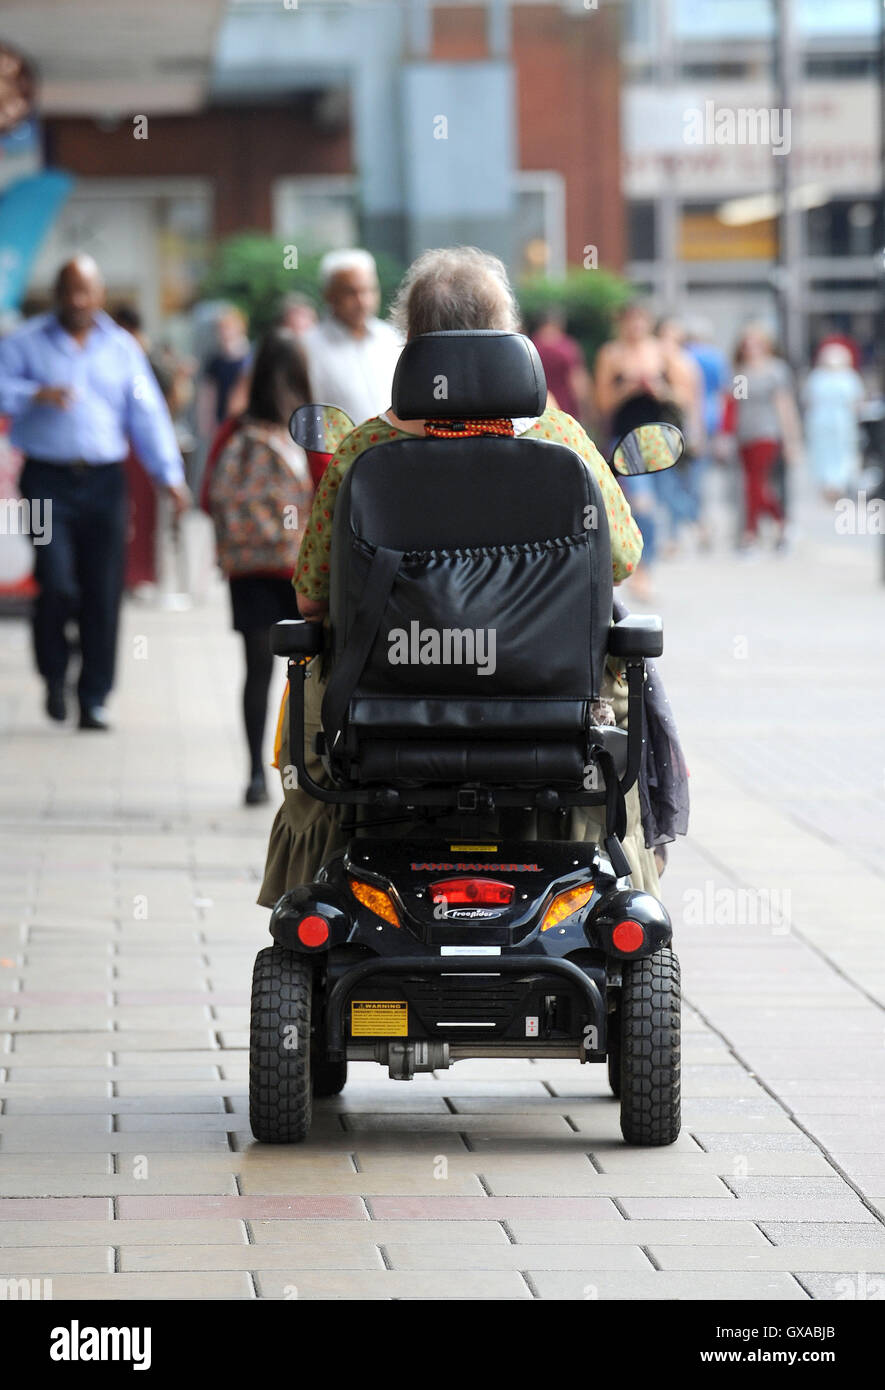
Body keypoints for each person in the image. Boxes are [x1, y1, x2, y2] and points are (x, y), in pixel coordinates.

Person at [259, 245, 663, 910]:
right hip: (550, 724)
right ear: (507, 337)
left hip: (384, 730)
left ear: (413, 342)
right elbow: (621, 559)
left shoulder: (362, 451)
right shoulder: (562, 443)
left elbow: (310, 596)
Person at [0, 255, 189, 730]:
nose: (78, 300)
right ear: (56, 294)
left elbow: (145, 415)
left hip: (105, 481)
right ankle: (54, 673)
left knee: (104, 590)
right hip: (45, 481)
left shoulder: (122, 348)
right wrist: (32, 395)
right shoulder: (25, 342)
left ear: (100, 295)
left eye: (86, 291)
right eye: (69, 290)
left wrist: (169, 475)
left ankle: (95, 696)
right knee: (57, 581)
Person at [207, 330, 314, 806]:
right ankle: (304, 773)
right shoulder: (310, 428)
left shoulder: (236, 428)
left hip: (248, 568)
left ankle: (254, 773)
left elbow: (210, 491)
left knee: (255, 671)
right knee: (309, 675)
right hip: (301, 573)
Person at [594, 301, 696, 599]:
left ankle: (650, 561)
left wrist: (659, 390)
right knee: (642, 505)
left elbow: (684, 397)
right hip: (627, 440)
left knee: (662, 503)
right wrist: (628, 389)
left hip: (659, 438)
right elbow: (601, 403)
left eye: (641, 320)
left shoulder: (663, 353)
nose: (635, 326)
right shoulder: (611, 354)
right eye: (630, 321)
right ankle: (642, 570)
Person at [297, 248, 403, 425]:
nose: (363, 301)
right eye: (351, 292)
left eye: (369, 290)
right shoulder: (306, 348)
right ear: (329, 295)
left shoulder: (392, 339)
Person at [731, 324, 802, 552]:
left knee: (757, 484)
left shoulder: (775, 370)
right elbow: (735, 404)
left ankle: (751, 533)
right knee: (750, 485)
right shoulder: (740, 372)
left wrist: (791, 440)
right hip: (744, 434)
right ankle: (780, 525)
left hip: (767, 432)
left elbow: (784, 406)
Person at [803, 342, 865, 504]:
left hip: (840, 423)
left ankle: (836, 485)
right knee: (827, 453)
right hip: (826, 423)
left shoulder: (847, 377)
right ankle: (829, 485)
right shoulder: (819, 377)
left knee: (841, 453)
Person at [530, 306, 589, 422]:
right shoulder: (567, 347)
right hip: (564, 412)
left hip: (536, 411)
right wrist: (585, 411)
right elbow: (578, 383)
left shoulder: (530, 346)